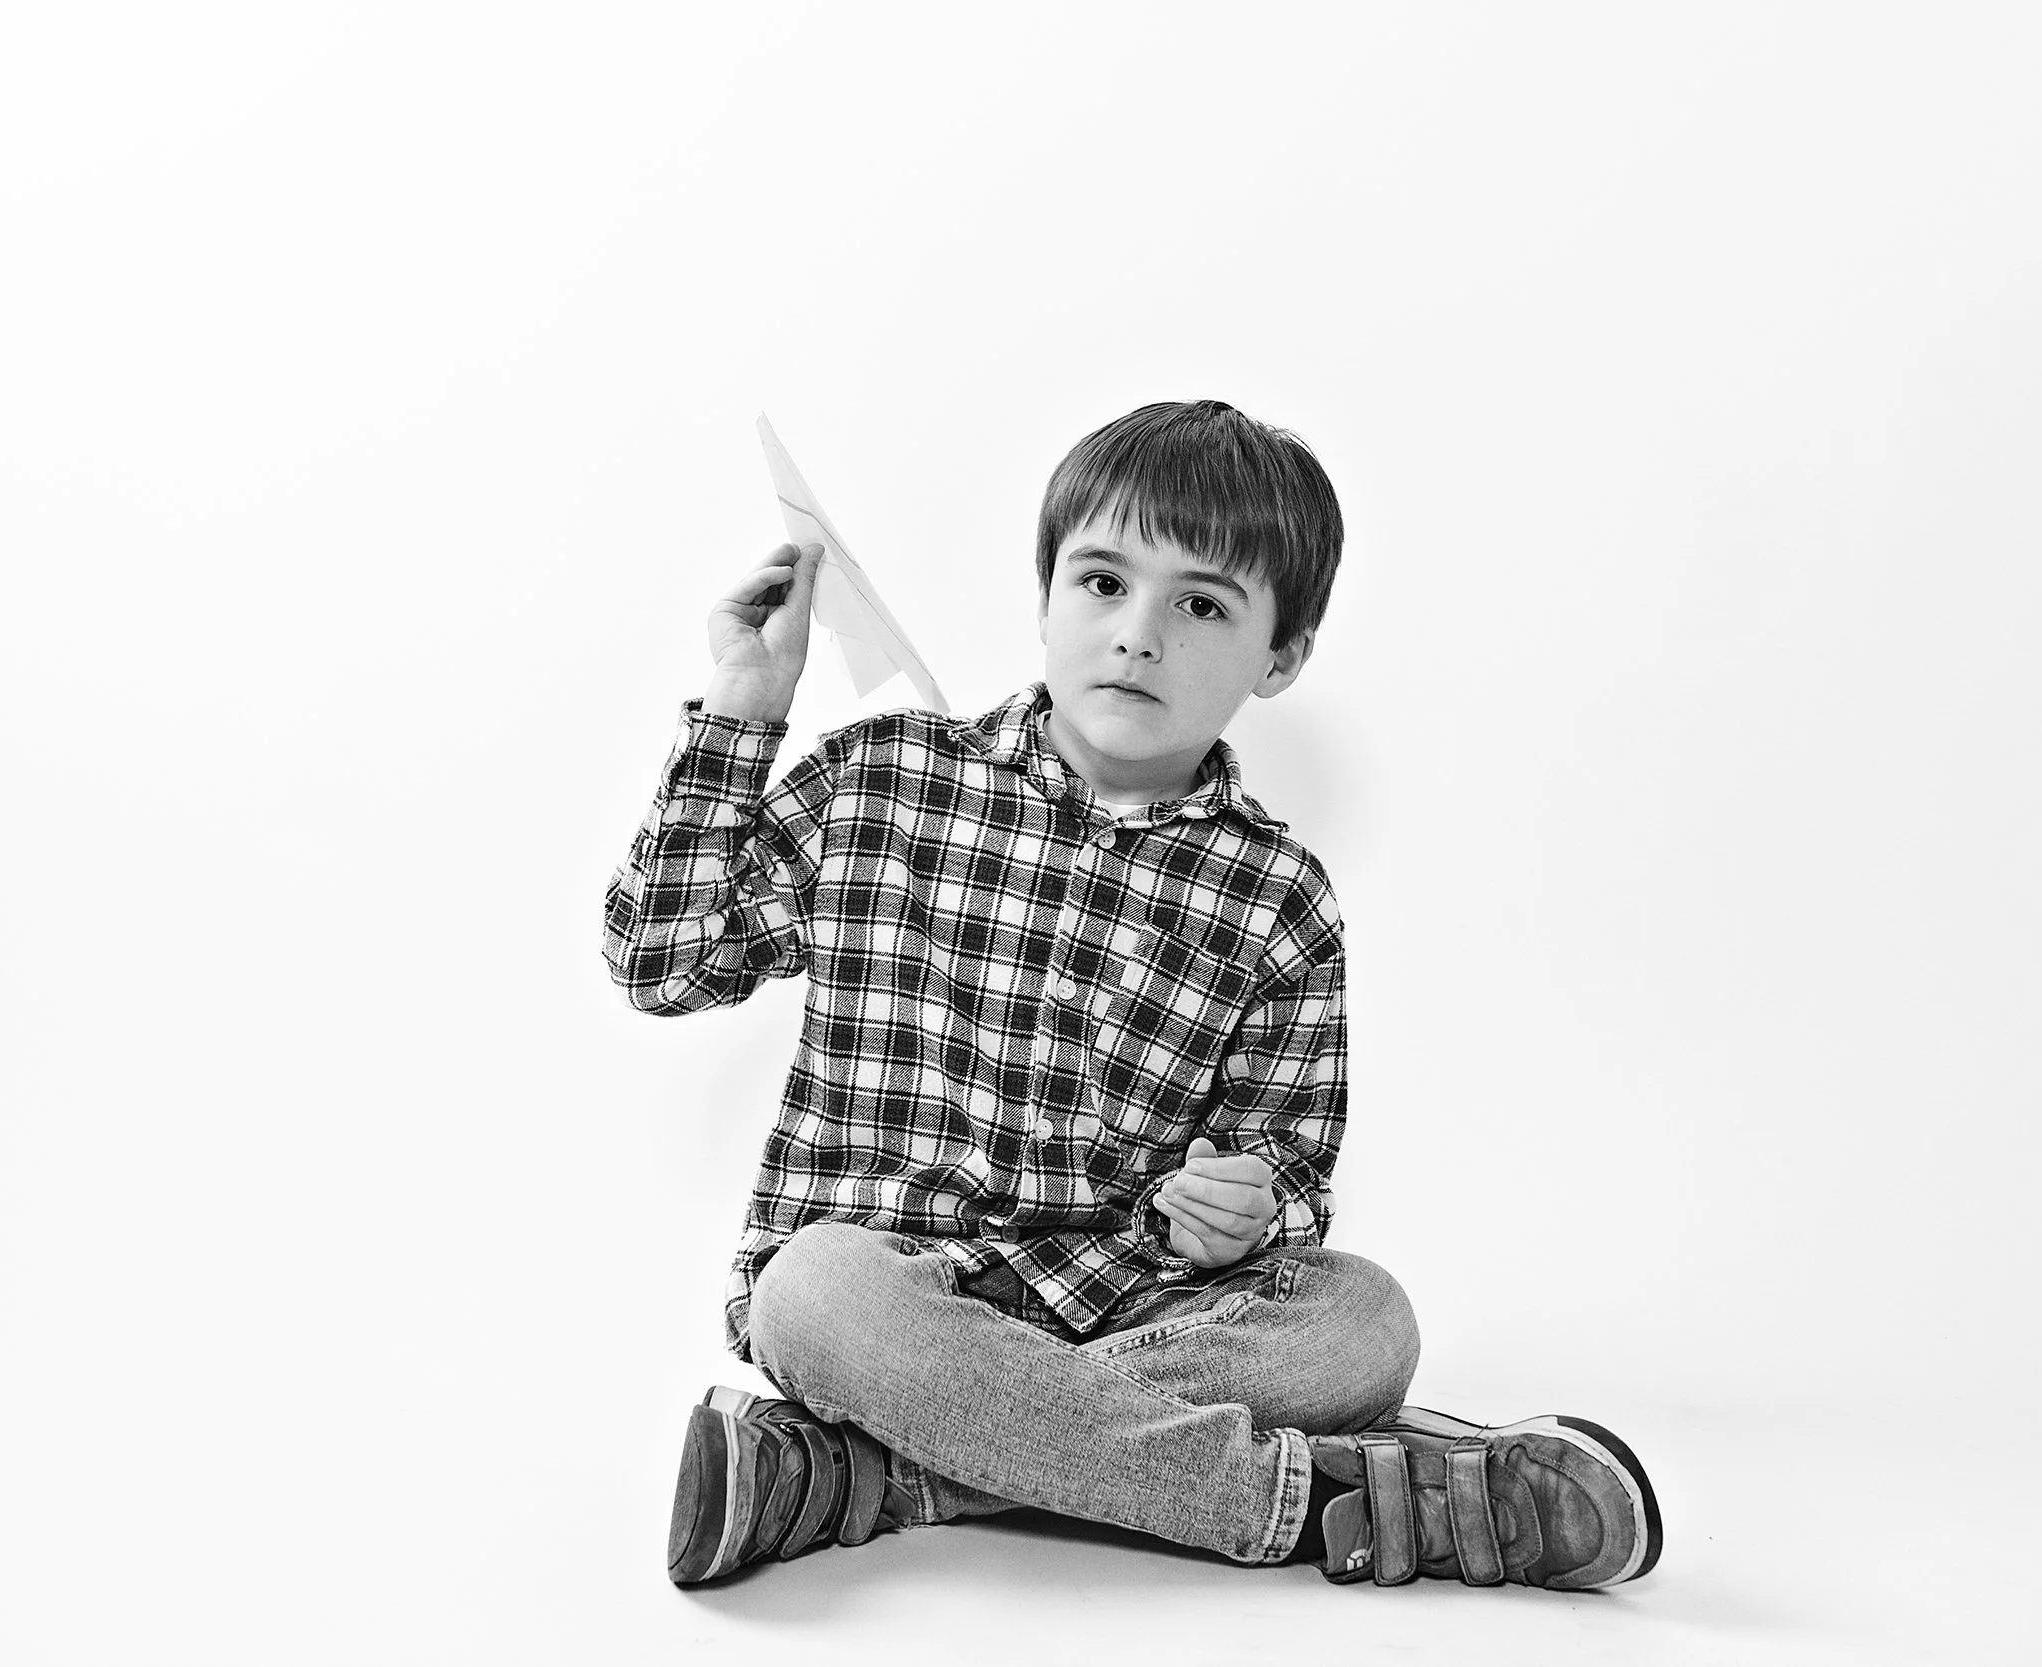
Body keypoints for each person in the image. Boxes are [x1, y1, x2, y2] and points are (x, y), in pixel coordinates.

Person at [604, 400, 1662, 1589]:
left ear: (1280, 658)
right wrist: (745, 703)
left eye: (1201, 606)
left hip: (1128, 1302)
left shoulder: (1277, 896)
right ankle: (1313, 1503)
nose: (1137, 636)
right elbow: (662, 960)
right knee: (808, 1291)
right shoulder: (885, 778)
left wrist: (1243, 1208)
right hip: (886, 1302)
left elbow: (1285, 1170)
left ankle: (867, 1473)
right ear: (1046, 596)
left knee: (1364, 1321)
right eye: (1103, 583)